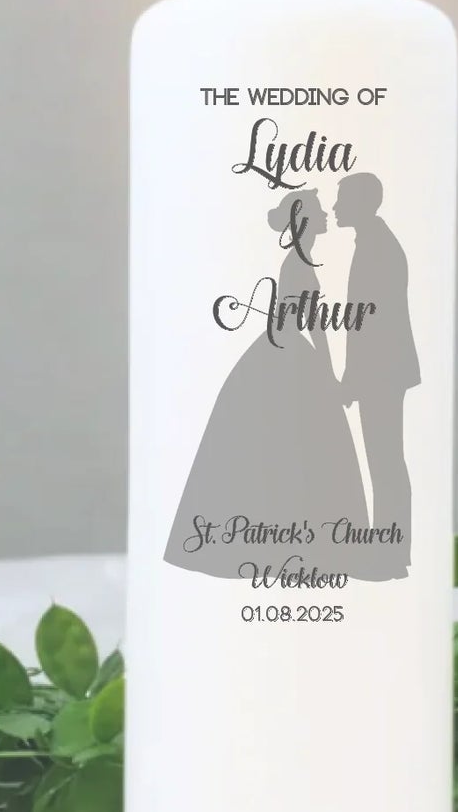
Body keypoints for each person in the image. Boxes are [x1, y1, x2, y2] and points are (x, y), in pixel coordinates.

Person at [164, 190, 369, 578]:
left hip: (283, 352)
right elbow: (315, 324)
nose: (326, 214)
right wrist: (329, 374)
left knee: (284, 449)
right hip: (290, 355)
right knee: (291, 447)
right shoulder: (300, 264)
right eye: (319, 211)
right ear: (305, 221)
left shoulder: (298, 261)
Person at [334, 172, 419, 577]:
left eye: (342, 200)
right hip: (381, 372)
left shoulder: (379, 248)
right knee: (385, 461)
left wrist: (353, 378)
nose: (336, 207)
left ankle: (389, 554)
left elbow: (372, 323)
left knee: (385, 462)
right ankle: (389, 552)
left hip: (381, 373)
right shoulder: (374, 243)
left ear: (362, 203)